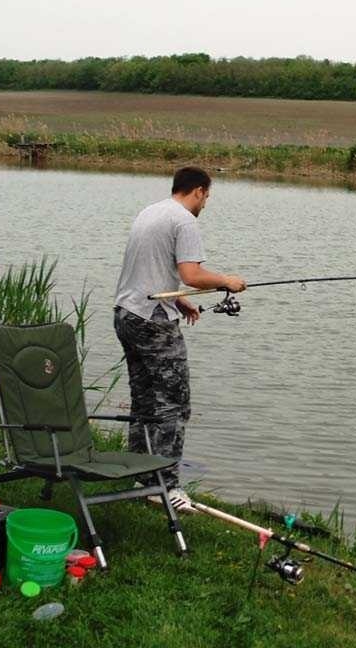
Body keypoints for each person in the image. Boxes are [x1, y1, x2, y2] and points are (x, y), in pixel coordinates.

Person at [113, 166, 245, 509]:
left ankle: (140, 473)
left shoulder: (150, 212)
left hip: (127, 314)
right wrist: (226, 281)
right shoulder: (184, 220)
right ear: (198, 191)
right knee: (174, 404)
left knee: (144, 401)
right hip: (153, 323)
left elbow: (148, 270)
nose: (206, 203)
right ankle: (166, 486)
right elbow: (192, 273)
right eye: (207, 196)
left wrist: (177, 298)